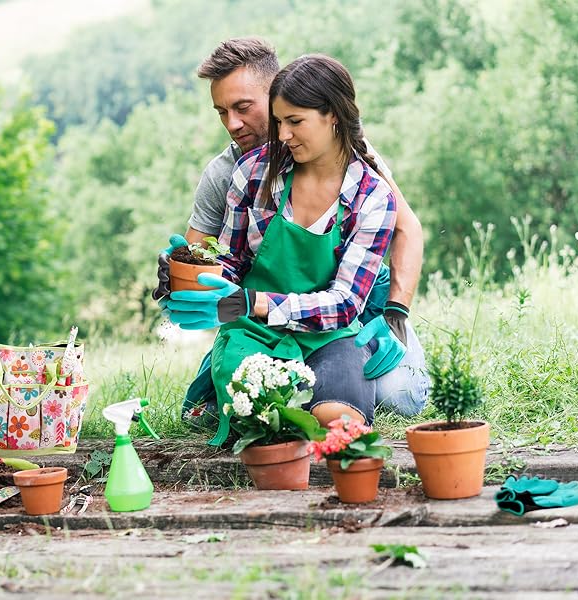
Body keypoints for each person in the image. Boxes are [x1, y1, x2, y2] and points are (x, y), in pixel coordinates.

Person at [155, 39, 428, 435]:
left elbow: (408, 231)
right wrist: (182, 276)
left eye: (243, 108)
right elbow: (216, 266)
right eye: (221, 112)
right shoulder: (238, 171)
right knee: (235, 411)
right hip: (256, 317)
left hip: (346, 314)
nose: (232, 124)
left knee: (398, 397)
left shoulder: (361, 172)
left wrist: (393, 314)